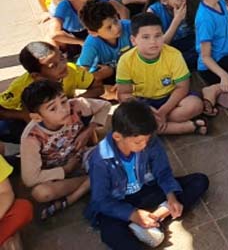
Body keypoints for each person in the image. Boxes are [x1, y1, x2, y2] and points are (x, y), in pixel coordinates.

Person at [84, 100, 209, 249]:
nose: (144, 145)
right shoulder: (100, 160)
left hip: (146, 190)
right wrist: (132, 214)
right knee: (111, 233)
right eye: (138, 142)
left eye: (147, 140)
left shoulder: (150, 141)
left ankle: (155, 218)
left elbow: (163, 172)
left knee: (199, 181)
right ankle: (144, 222)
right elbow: (101, 201)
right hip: (118, 201)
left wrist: (171, 197)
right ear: (118, 137)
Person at [19, 79, 110, 220]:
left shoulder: (75, 106)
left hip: (82, 156)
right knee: (41, 193)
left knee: (115, 151)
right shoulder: (31, 137)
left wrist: (89, 130)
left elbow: (105, 105)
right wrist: (65, 170)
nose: (64, 109)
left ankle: (72, 197)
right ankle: (94, 179)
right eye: (52, 108)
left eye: (63, 101)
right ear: (37, 117)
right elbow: (30, 179)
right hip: (56, 173)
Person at [116, 13, 206, 136]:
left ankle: (153, 126)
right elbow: (123, 93)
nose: (153, 42)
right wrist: (146, 109)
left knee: (195, 105)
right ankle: (186, 127)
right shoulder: (125, 60)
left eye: (158, 36)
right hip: (143, 102)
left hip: (171, 98)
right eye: (146, 37)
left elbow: (182, 87)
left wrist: (163, 112)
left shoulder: (173, 55)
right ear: (133, 40)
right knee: (130, 117)